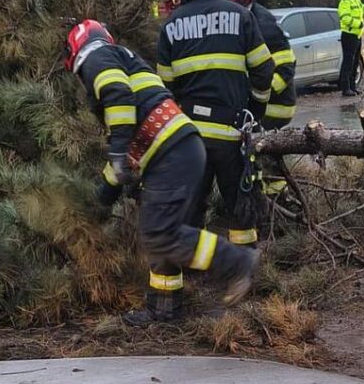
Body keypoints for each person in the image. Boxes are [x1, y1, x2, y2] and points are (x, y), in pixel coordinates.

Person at [64, 19, 258, 326]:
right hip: (175, 151)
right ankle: (164, 308)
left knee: (161, 232)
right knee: (155, 231)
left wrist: (116, 153)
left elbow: (117, 96)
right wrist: (104, 192)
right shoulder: (120, 59)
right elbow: (128, 144)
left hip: (172, 153)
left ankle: (236, 262)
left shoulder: (97, 57)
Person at [156, 0, 275, 253]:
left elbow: (164, 89)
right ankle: (244, 270)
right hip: (232, 133)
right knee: (241, 207)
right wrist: (256, 110)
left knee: (192, 208)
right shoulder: (241, 16)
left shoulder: (170, 26)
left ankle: (195, 269)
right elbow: (264, 69)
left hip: (190, 138)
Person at [222, 0, 296, 130]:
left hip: (274, 108)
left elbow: (286, 67)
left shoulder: (262, 25)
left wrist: (257, 95)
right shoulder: (248, 17)